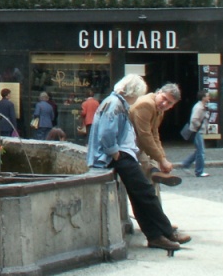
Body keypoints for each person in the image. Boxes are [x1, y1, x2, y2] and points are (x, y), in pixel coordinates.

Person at [87, 74, 191, 252]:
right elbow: (108, 134)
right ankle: (166, 232)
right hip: (120, 156)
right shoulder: (116, 104)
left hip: (123, 154)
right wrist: (116, 154)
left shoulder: (118, 103)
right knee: (146, 193)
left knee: (140, 196)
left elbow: (152, 134)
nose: (137, 98)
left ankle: (155, 236)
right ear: (132, 92)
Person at [129, 83, 183, 187]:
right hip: (127, 145)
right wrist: (162, 160)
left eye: (169, 103)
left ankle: (156, 172)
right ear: (158, 92)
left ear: (172, 106)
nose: (164, 104)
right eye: (164, 98)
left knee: (154, 161)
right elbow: (145, 135)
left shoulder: (159, 109)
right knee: (147, 165)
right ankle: (153, 178)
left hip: (136, 144)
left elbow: (154, 134)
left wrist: (162, 157)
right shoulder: (147, 104)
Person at [179, 90, 211, 177]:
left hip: (198, 131)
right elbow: (194, 119)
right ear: (203, 97)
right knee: (201, 152)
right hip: (197, 131)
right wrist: (199, 126)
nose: (209, 97)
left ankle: (186, 164)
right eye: (207, 96)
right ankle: (199, 171)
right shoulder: (199, 107)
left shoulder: (202, 106)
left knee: (198, 150)